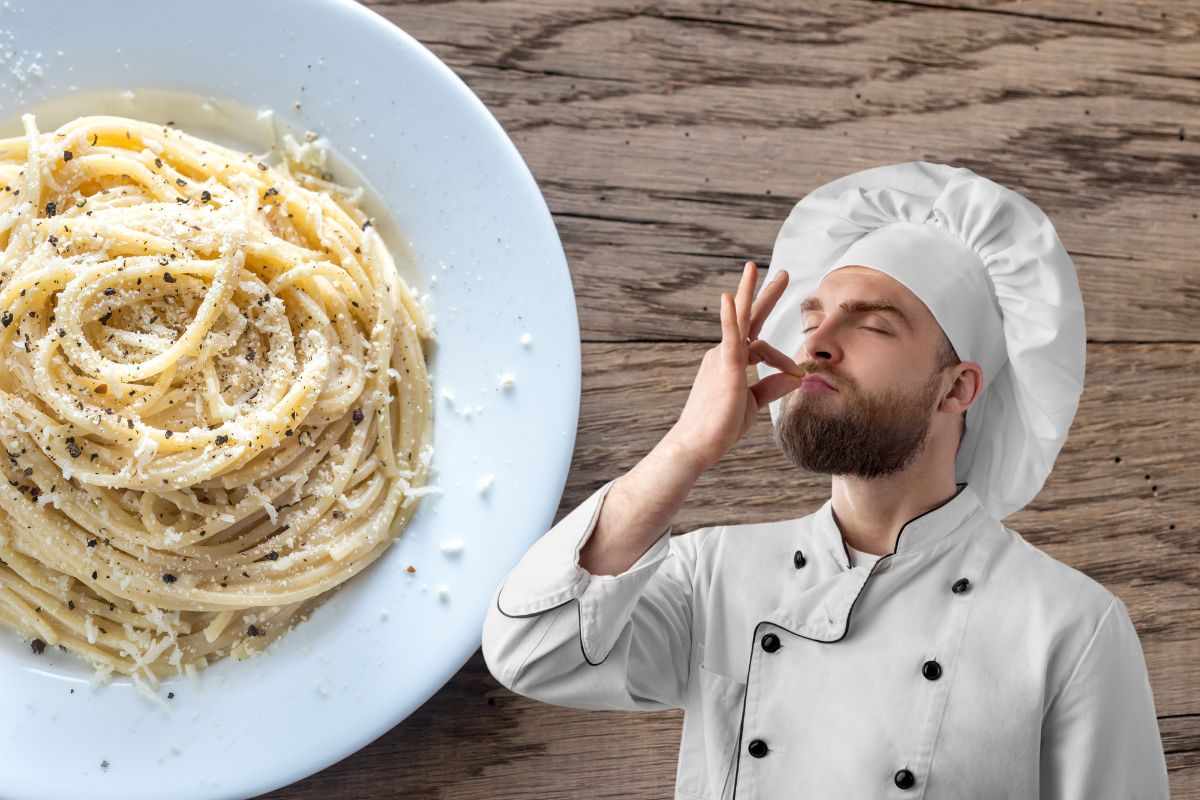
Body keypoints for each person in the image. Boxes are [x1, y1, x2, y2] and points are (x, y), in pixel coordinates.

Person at [480, 162, 1171, 799]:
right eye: (813, 318)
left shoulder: (1068, 628)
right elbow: (529, 652)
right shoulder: (715, 576)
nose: (816, 342)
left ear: (956, 388)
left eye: (871, 324)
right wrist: (687, 447)